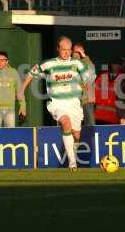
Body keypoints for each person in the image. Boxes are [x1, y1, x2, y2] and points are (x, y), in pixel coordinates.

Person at [18, 36, 93, 171]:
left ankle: (73, 152)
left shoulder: (78, 64)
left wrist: (89, 89)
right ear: (58, 49)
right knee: (65, 122)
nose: (66, 53)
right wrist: (21, 90)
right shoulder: (49, 64)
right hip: (57, 103)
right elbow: (31, 73)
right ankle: (72, 163)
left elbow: (87, 79)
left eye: (69, 50)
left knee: (76, 135)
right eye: (63, 49)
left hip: (74, 103)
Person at [72, 43, 96, 125]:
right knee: (75, 125)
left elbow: (92, 75)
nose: (77, 54)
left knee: (90, 125)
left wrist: (84, 56)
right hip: (74, 100)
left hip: (87, 100)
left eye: (79, 52)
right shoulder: (70, 64)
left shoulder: (87, 63)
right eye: (75, 52)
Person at [94, 59, 122, 124]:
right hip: (101, 117)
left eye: (117, 65)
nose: (115, 67)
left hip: (109, 118)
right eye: (114, 64)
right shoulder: (101, 78)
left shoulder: (122, 79)